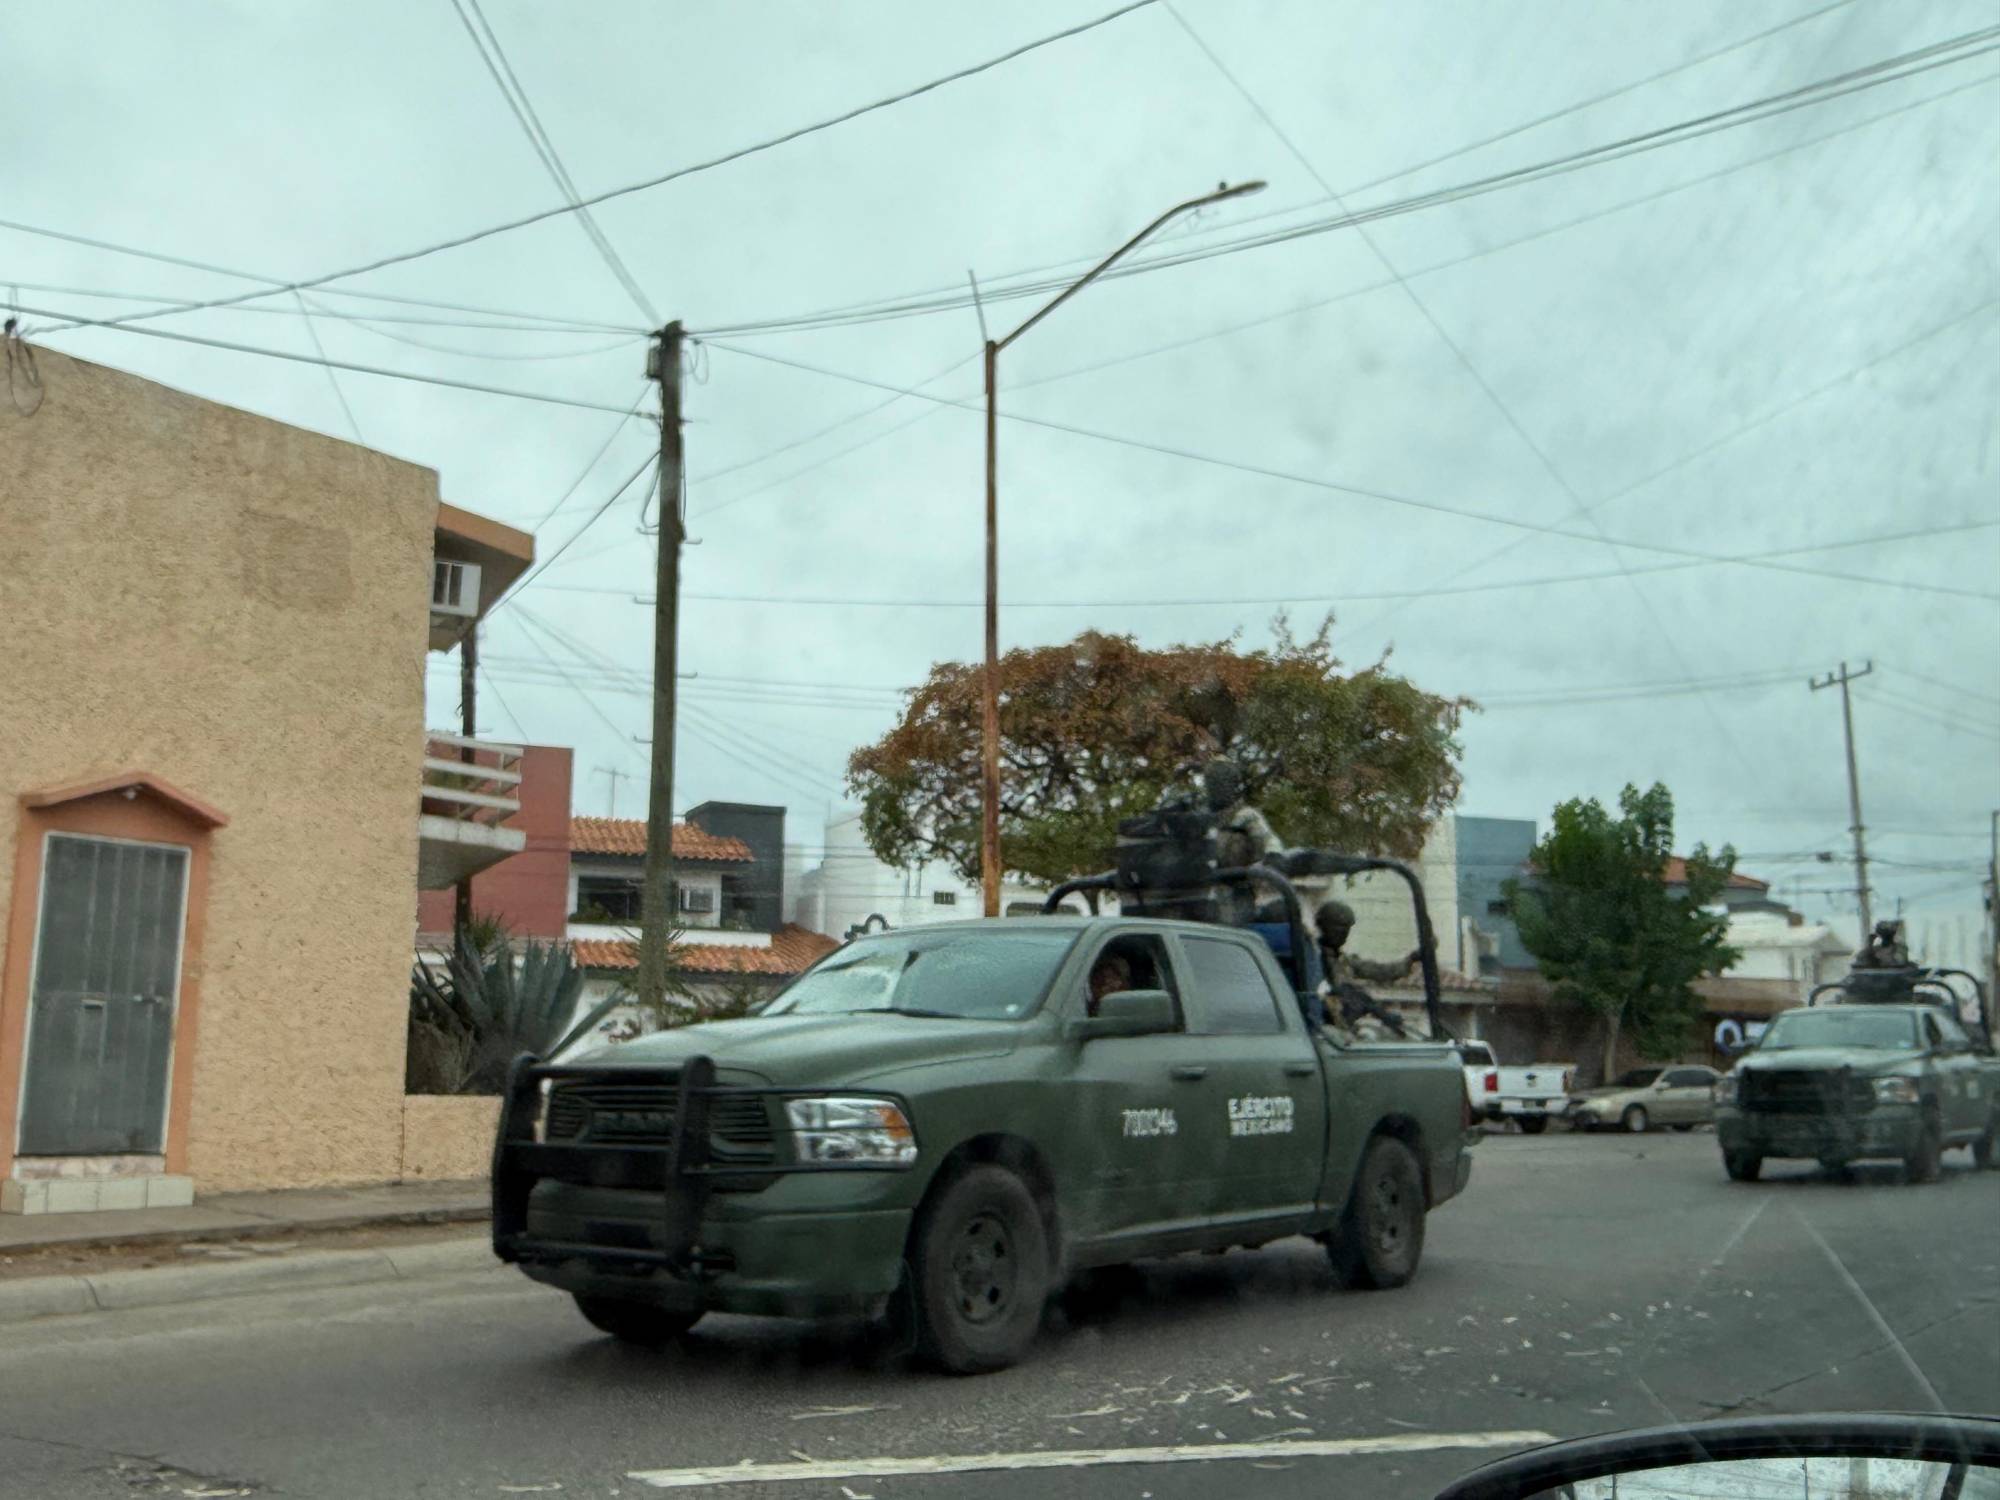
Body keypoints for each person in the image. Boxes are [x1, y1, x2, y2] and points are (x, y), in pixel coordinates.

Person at [1314, 899, 1420, 1041]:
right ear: (1322, 925)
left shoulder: (1343, 960)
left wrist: (1412, 959)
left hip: (1342, 1027)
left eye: (1346, 928)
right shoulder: (1312, 956)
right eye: (1337, 926)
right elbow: (1332, 993)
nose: (1343, 933)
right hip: (1321, 1029)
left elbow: (1379, 971)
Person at [1087, 951, 1133, 1016]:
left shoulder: (1132, 1010)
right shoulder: (1084, 1010)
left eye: (1113, 978)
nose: (1106, 982)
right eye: (1099, 979)